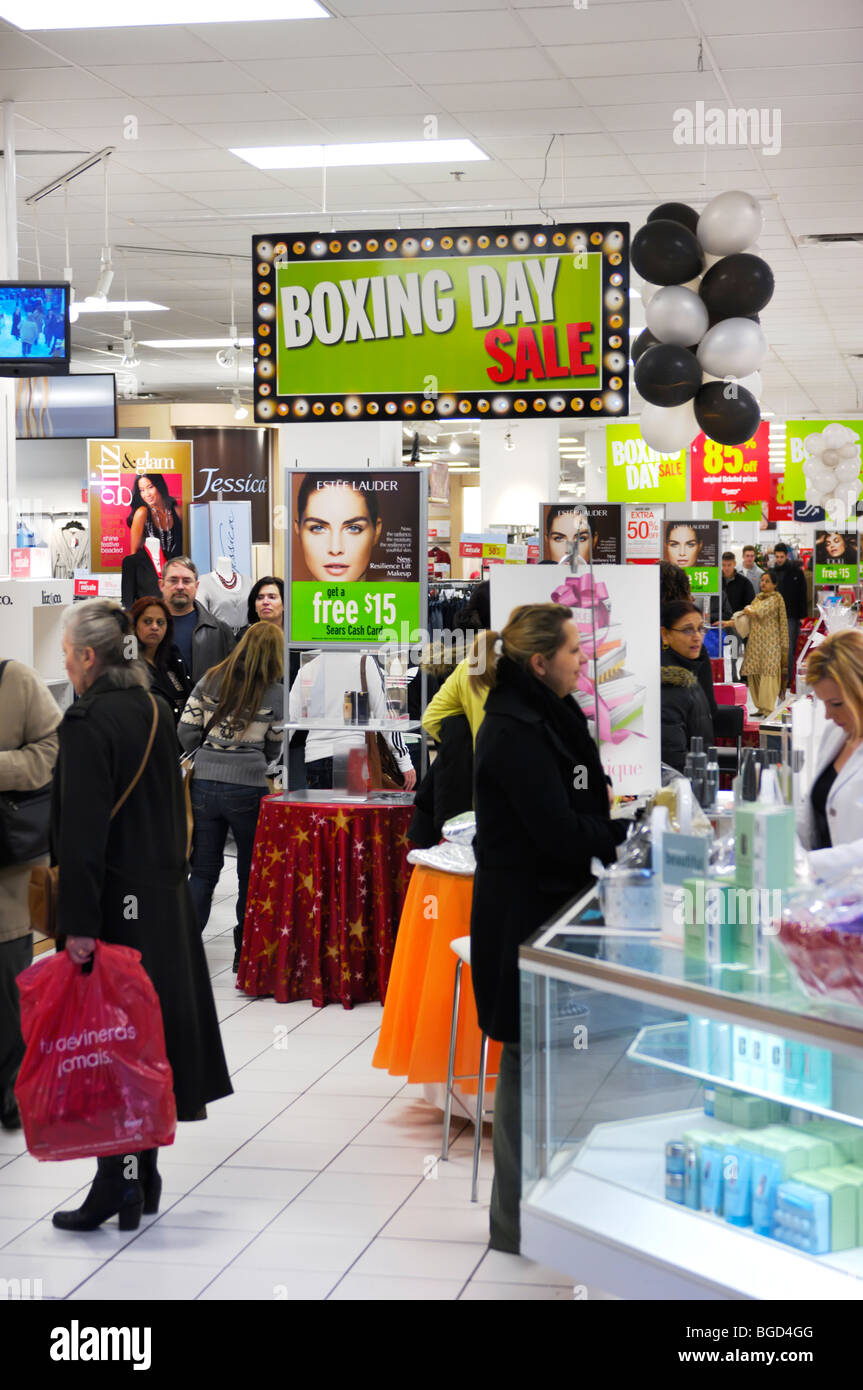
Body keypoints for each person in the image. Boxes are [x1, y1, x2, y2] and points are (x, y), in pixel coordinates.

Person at [50, 600, 231, 1232]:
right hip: (161, 907)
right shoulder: (155, 710)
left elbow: (81, 836)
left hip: (111, 913)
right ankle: (141, 1175)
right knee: (144, 1045)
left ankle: (115, 1186)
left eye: (69, 652)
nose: (65, 662)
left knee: (105, 1048)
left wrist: (76, 926)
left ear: (89, 658)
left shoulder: (85, 722)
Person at [469, 603, 626, 1253]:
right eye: (572, 652)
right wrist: (620, 834)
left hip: (552, 908)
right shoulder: (513, 729)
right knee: (526, 1059)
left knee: (545, 1059)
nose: (581, 660)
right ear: (539, 662)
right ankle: (513, 1223)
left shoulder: (546, 715)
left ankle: (543, 1212)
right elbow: (555, 829)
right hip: (523, 916)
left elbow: (574, 802)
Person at [179, 624, 285, 971]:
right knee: (248, 873)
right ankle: (245, 953)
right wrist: (256, 757)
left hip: (205, 783)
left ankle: (186, 951)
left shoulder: (211, 678)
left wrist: (208, 752)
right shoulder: (274, 692)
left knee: (204, 871)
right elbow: (274, 742)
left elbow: (185, 729)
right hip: (249, 787)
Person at [0, 660, 60, 1131]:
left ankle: (11, 1092)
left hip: (7, 876)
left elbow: (53, 749)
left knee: (7, 995)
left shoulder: (14, 679)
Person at [288, 650, 416, 792]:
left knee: (321, 813)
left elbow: (289, 719)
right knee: (350, 813)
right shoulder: (364, 662)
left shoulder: (309, 667)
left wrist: (273, 761)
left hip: (315, 755)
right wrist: (404, 761)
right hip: (351, 752)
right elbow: (385, 715)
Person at [797, 630, 863, 881]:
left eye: (836, 704)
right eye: (823, 703)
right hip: (826, 898)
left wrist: (807, 864)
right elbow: (817, 808)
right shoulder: (836, 735)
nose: (827, 715)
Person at [159, 555, 235, 686]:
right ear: (161, 584)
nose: (180, 586)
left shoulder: (220, 631)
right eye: (173, 580)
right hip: (157, 705)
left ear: (197, 585)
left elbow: (233, 679)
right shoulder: (140, 628)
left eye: (187, 581)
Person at [294, 474, 382, 583]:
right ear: (298, 530)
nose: (335, 549)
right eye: (318, 528)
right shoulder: (289, 597)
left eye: (354, 528)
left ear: (376, 531)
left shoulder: (397, 596)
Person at [660, 600, 715, 772]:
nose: (697, 636)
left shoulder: (689, 672)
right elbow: (673, 758)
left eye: (700, 629)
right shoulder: (670, 684)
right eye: (687, 630)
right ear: (665, 635)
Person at [128, 594, 190, 724]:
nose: (155, 627)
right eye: (147, 621)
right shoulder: (126, 665)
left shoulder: (173, 658)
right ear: (133, 626)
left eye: (160, 622)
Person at [739, 570, 789, 718]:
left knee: (768, 674)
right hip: (755, 642)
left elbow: (759, 612)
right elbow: (750, 614)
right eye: (762, 581)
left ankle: (768, 709)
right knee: (755, 674)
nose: (763, 584)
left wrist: (748, 609)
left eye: (767, 581)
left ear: (775, 584)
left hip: (771, 643)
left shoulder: (776, 599)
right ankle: (760, 707)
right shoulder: (758, 598)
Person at [770, 542, 807, 692]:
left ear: (786, 556)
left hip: (791, 615)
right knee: (774, 648)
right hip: (773, 616)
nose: (779, 559)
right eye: (777, 557)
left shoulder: (796, 572)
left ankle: (788, 680)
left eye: (781, 557)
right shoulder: (772, 572)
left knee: (789, 648)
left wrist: (802, 616)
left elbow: (802, 594)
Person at [126, 473, 184, 562]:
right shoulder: (142, 513)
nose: (147, 494)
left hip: (176, 571)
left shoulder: (178, 512)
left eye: (150, 487)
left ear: (159, 486)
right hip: (151, 573)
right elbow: (134, 555)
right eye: (142, 490)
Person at [236, 576, 285, 641]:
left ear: (285, 604)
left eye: (272, 597)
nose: (265, 602)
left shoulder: (296, 636)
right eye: (260, 598)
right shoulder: (244, 636)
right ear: (255, 606)